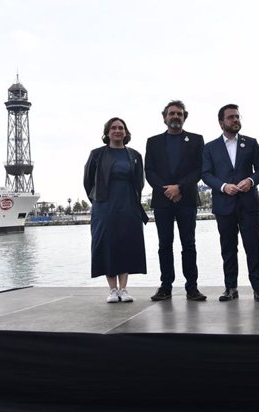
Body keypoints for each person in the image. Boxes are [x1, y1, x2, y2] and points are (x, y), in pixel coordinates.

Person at [202, 104, 259, 302]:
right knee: (228, 248)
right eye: (231, 117)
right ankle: (230, 288)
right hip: (224, 205)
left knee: (253, 246)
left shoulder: (251, 143)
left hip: (249, 205)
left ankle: (258, 288)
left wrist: (250, 181)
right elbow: (205, 174)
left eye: (237, 117)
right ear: (221, 122)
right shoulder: (210, 147)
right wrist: (223, 186)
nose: (235, 120)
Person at [145, 100, 206, 301]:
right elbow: (149, 171)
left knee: (189, 244)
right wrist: (167, 190)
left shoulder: (196, 140)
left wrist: (179, 187)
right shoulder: (152, 142)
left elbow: (199, 169)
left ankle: (192, 287)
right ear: (164, 118)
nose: (175, 117)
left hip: (186, 199)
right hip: (162, 201)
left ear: (184, 117)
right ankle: (165, 287)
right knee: (165, 245)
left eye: (179, 114)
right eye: (171, 113)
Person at [84, 117, 148, 303]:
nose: (118, 131)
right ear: (107, 132)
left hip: (128, 204)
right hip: (105, 206)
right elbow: (88, 182)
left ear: (126, 132)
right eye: (114, 128)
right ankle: (112, 289)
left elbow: (140, 181)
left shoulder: (135, 155)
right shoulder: (96, 154)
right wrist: (98, 201)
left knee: (126, 243)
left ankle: (124, 289)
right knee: (107, 243)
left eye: (121, 128)